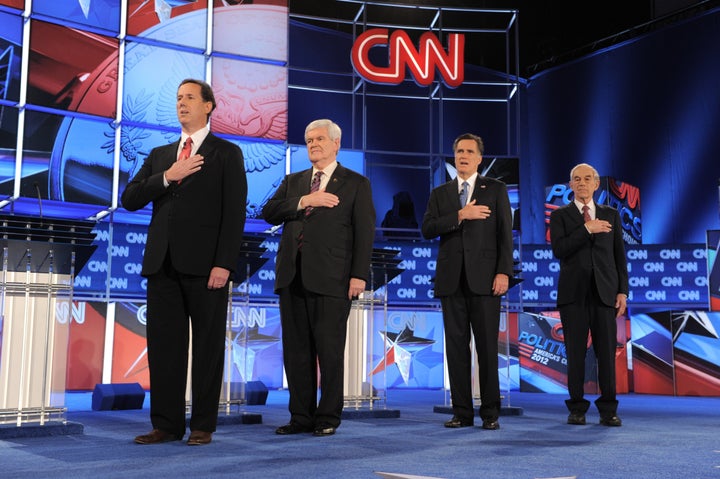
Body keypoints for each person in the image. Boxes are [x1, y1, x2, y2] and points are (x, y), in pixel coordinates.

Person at [121, 78, 247, 445]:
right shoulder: (161, 155)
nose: (182, 103)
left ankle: (203, 424)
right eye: (178, 98)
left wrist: (224, 264)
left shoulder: (226, 152)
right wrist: (166, 177)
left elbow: (234, 213)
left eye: (190, 97)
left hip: (207, 267)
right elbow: (130, 198)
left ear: (209, 105)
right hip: (162, 265)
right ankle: (166, 424)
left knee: (207, 347)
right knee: (164, 348)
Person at [262, 118, 375, 437]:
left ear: (336, 144)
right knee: (296, 352)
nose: (313, 144)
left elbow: (364, 233)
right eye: (309, 139)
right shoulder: (293, 182)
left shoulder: (355, 183)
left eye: (320, 139)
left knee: (329, 351)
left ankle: (327, 417)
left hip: (333, 278)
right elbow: (268, 211)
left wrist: (358, 275)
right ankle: (300, 417)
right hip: (292, 276)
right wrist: (305, 201)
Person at [421, 133, 513, 430]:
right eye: (459, 151)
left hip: (486, 281)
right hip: (451, 281)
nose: (463, 155)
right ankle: (461, 412)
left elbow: (504, 235)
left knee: (486, 349)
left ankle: (490, 413)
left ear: (478, 158)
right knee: (456, 349)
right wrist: (461, 214)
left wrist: (503, 272)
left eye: (469, 151)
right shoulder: (441, 193)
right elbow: (428, 229)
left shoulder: (495, 190)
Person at [549, 163, 628, 427]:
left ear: (596, 184)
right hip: (573, 295)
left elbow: (619, 256)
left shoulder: (612, 215)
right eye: (576, 179)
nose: (582, 183)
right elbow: (559, 250)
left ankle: (608, 409)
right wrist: (586, 229)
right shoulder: (560, 216)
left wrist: (622, 291)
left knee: (606, 354)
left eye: (587, 179)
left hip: (605, 293)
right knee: (575, 354)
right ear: (570, 185)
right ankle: (577, 408)